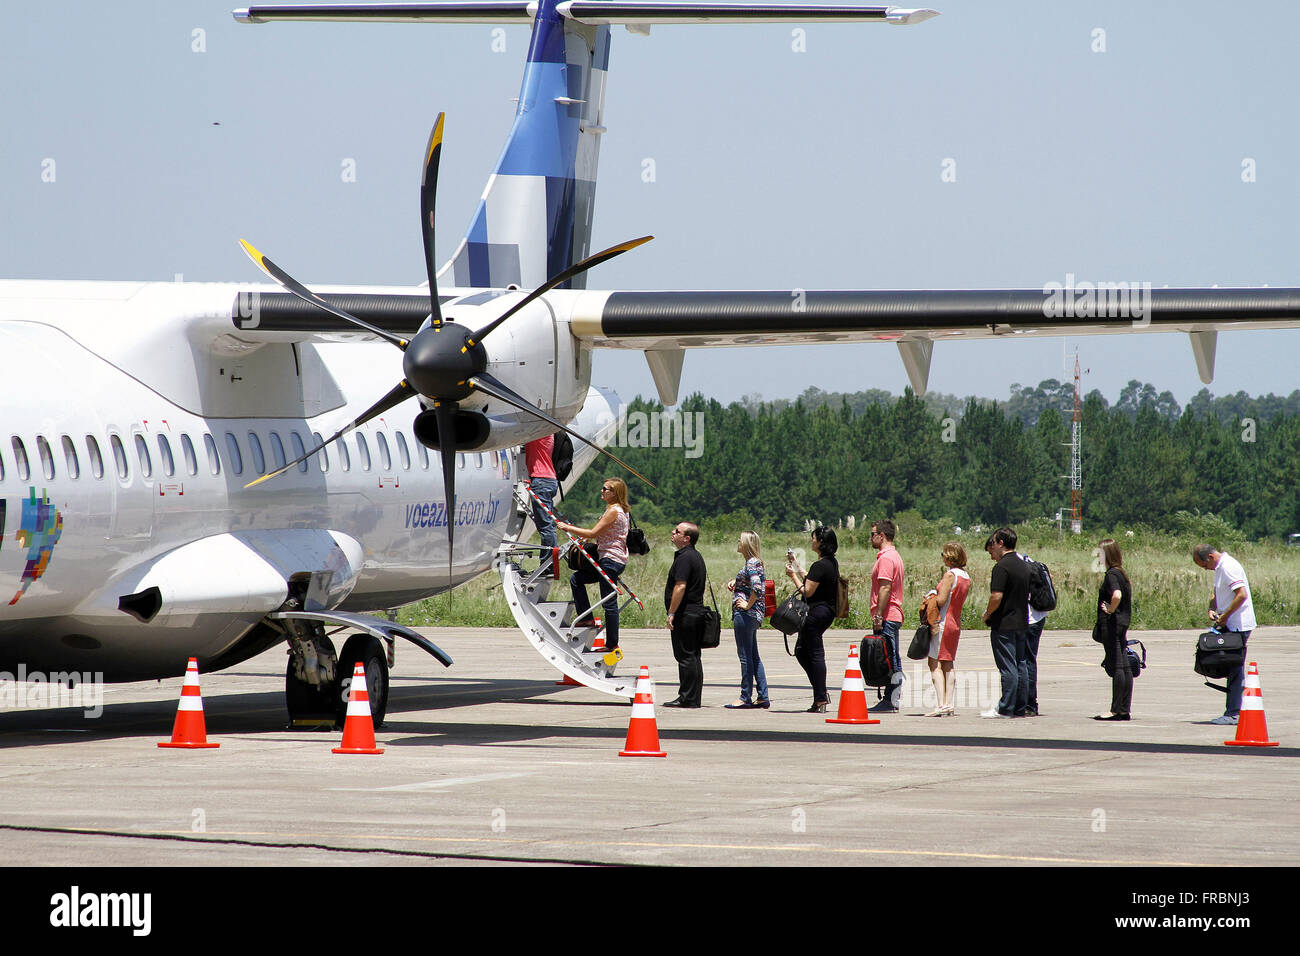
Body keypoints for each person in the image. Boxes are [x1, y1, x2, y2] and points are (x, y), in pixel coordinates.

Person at [556, 478, 628, 664]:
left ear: (615, 492)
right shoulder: (616, 510)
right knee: (577, 579)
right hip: (609, 558)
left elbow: (593, 533)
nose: (602, 490)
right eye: (603, 487)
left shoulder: (613, 511)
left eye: (606, 489)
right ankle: (586, 618)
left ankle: (612, 644)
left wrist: (567, 528)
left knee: (609, 603)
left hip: (610, 560)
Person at [1192, 543, 1256, 726]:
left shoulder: (1228, 567)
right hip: (1230, 623)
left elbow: (1241, 594)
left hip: (1238, 625)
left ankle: (1234, 713)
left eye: (1204, 565)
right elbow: (1216, 591)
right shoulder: (1220, 568)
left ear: (1211, 557)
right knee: (1231, 667)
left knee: (1235, 668)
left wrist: (1225, 616)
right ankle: (1233, 710)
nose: (1205, 569)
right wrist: (1212, 608)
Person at [785, 526, 840, 713]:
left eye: (814, 538)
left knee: (814, 654)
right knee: (802, 651)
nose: (812, 541)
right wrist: (797, 566)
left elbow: (807, 590)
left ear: (821, 543)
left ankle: (820, 697)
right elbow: (812, 579)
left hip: (815, 614)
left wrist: (792, 576)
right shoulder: (830, 563)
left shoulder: (820, 565)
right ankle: (820, 692)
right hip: (826, 612)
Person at [980, 527, 1030, 718]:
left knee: (1007, 667)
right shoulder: (1023, 564)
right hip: (1022, 622)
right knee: (1020, 665)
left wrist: (987, 613)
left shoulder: (1001, 567)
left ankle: (1005, 707)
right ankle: (1019, 707)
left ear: (1001, 543)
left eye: (992, 544)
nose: (991, 550)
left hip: (1005, 624)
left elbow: (996, 596)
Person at [663, 521, 707, 707]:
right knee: (693, 656)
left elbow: (680, 586)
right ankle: (692, 697)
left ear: (686, 538)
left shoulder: (684, 558)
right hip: (696, 613)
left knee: (686, 657)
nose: (673, 533)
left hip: (686, 614)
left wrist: (671, 612)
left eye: (677, 531)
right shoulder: (695, 556)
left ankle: (687, 698)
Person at [924, 542, 970, 717]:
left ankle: (941, 704)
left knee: (934, 662)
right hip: (955, 622)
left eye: (943, 554)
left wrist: (931, 596)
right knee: (948, 662)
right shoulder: (965, 576)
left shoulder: (949, 575)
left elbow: (942, 600)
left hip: (942, 621)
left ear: (950, 556)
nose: (941, 557)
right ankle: (949, 703)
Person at [725, 532, 770, 709]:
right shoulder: (755, 562)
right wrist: (737, 583)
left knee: (745, 657)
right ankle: (762, 696)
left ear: (746, 544)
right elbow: (753, 582)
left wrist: (746, 604)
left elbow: (757, 588)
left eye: (740, 540)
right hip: (755, 616)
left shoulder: (751, 562)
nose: (738, 542)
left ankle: (745, 696)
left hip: (746, 615)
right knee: (753, 656)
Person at [1094, 538, 1133, 721]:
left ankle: (1116, 710)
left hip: (1112, 624)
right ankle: (1124, 709)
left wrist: (1110, 609)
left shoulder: (1111, 575)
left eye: (1100, 553)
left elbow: (1116, 595)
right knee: (1125, 667)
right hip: (1123, 623)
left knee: (1117, 666)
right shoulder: (1121, 573)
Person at [868, 519, 905, 712]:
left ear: (881, 535)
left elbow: (885, 587)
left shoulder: (886, 558)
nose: (870, 538)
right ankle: (891, 698)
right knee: (890, 657)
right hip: (891, 614)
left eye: (872, 534)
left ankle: (891, 699)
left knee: (890, 659)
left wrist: (878, 616)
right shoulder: (893, 556)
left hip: (888, 615)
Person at [1020, 551, 1049, 717]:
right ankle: (1030, 702)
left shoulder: (1020, 567)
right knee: (1030, 660)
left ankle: (1029, 703)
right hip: (1039, 616)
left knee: (1026, 661)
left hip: (1029, 619)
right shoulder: (1034, 564)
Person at [523, 436, 558, 568]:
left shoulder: (539, 432)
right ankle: (549, 563)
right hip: (548, 479)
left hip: (541, 480)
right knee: (547, 526)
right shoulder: (547, 432)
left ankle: (548, 565)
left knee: (546, 527)